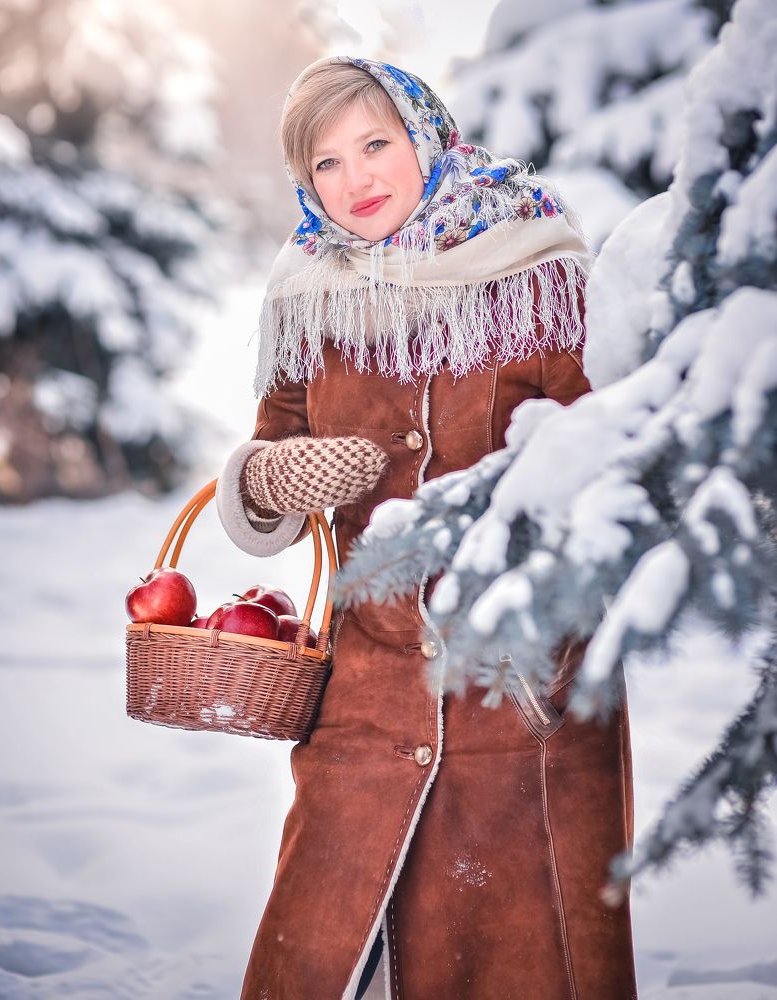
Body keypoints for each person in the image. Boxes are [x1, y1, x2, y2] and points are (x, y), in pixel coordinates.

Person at [216, 55, 638, 1000]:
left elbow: (605, 450)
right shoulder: (310, 292)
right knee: (321, 950)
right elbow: (268, 454)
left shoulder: (533, 268)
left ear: (427, 136)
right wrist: (276, 475)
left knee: (523, 960)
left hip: (521, 691)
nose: (355, 181)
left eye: (376, 145)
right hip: (365, 692)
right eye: (325, 164)